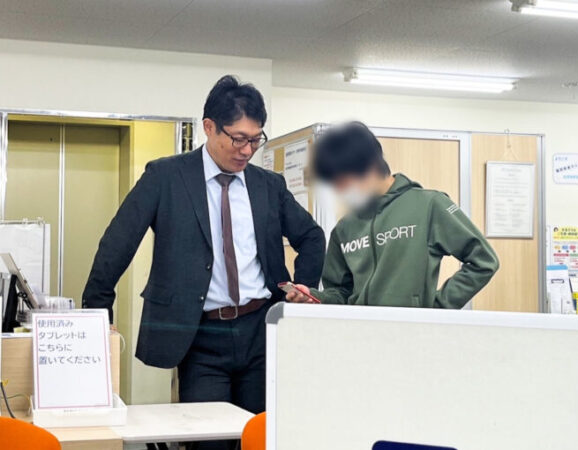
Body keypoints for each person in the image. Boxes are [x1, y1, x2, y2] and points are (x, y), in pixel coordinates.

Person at [83, 75, 326, 450]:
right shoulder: (166, 176)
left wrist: (302, 287)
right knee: (209, 442)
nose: (247, 150)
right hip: (201, 337)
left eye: (255, 139)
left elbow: (311, 236)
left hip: (261, 331)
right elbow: (118, 242)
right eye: (238, 138)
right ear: (209, 127)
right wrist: (97, 313)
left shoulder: (268, 185)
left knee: (262, 438)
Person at [286, 121, 498, 308]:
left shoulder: (429, 205)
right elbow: (341, 293)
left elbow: (484, 261)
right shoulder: (345, 228)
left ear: (370, 166)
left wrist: (438, 306)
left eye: (343, 181)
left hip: (412, 331)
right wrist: (315, 297)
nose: (340, 191)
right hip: (360, 332)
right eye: (335, 184)